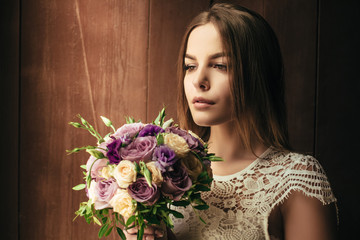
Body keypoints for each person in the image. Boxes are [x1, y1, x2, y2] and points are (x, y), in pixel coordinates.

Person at [123, 3, 338, 240]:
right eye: (190, 66)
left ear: (257, 74)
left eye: (220, 65)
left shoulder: (296, 178)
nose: (199, 80)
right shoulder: (162, 172)